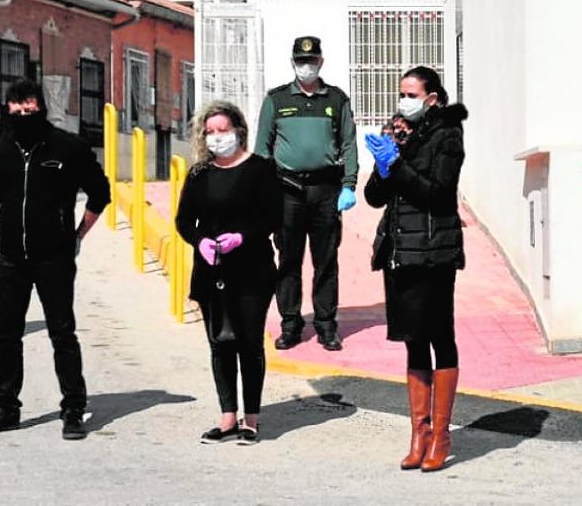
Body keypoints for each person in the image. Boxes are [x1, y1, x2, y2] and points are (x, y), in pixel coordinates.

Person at [0, 80, 111, 440]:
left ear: (42, 108)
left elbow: (100, 192)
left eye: (29, 109)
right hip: (11, 257)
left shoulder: (69, 147)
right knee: (6, 332)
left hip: (55, 258)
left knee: (62, 332)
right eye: (15, 110)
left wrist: (76, 234)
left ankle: (74, 408)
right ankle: (5, 407)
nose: (22, 115)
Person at [364, 67, 466, 473]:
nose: (403, 100)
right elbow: (374, 196)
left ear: (433, 98)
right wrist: (385, 161)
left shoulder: (448, 136)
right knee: (412, 340)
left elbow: (437, 194)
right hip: (400, 252)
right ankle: (418, 432)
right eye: (401, 93)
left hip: (434, 252)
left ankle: (441, 434)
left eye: (412, 93)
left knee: (440, 336)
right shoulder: (399, 132)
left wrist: (399, 166)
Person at [175, 100, 281, 445]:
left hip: (252, 270)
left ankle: (251, 418)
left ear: (239, 131)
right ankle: (227, 417)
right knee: (220, 343)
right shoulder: (199, 174)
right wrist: (199, 241)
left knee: (249, 343)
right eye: (210, 132)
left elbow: (274, 217)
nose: (217, 137)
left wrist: (242, 237)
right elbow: (183, 220)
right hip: (211, 272)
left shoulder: (261, 169)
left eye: (223, 130)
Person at [255, 36, 358, 352]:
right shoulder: (276, 100)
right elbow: (262, 148)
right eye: (301, 61)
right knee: (288, 260)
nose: (306, 67)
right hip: (287, 192)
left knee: (326, 261)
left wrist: (349, 185)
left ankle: (327, 327)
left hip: (326, 191)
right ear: (293, 63)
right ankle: (290, 325)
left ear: (321, 62)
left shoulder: (336, 100)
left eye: (311, 62)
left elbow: (348, 143)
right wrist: (261, 191)